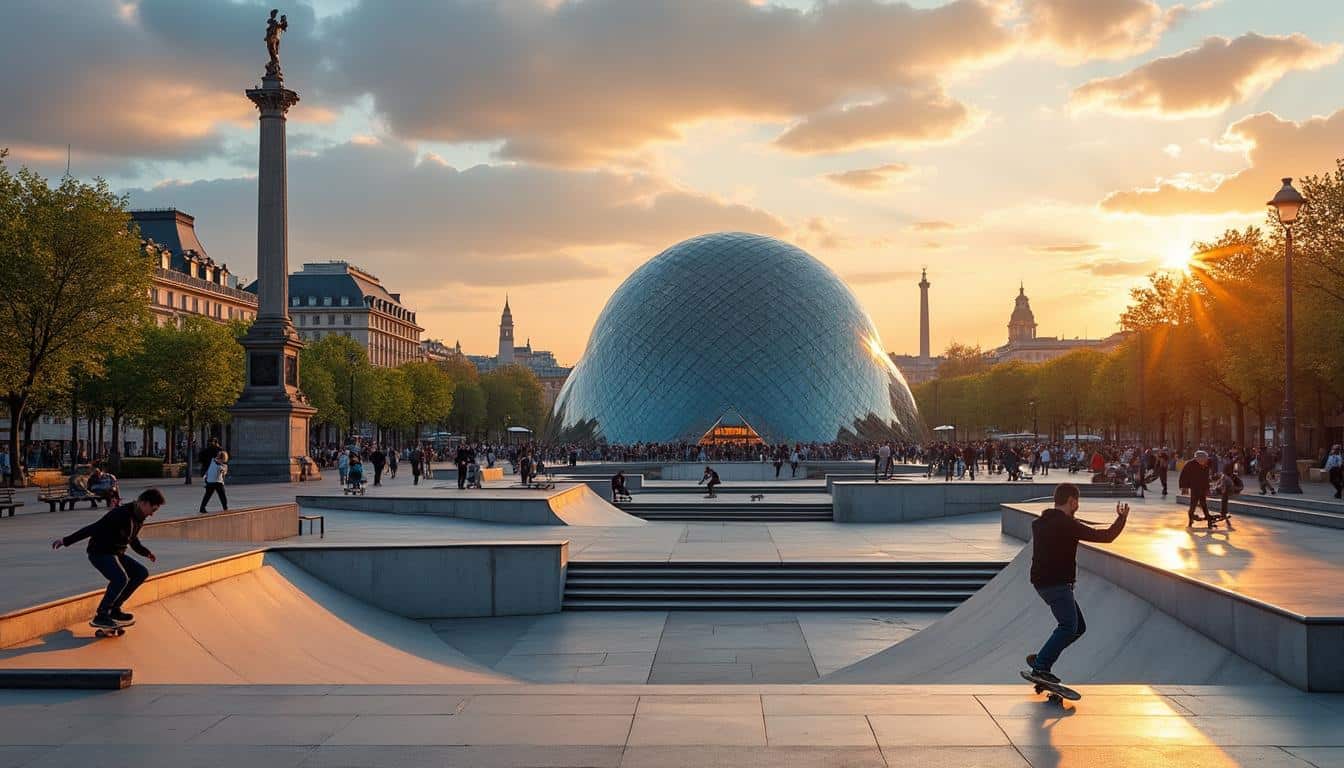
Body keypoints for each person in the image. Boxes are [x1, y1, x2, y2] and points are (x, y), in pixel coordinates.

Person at [1025, 483, 1129, 685]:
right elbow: (1105, 536)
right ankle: (1041, 666)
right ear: (1072, 501)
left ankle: (1042, 658)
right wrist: (1122, 518)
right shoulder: (1067, 525)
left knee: (1078, 627)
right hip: (1056, 583)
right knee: (1068, 627)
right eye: (1077, 502)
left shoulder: (1041, 522)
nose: (1077, 506)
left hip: (1042, 582)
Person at [51, 488, 164, 629]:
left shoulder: (139, 517)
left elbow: (133, 539)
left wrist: (146, 553)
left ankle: (114, 609)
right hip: (99, 553)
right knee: (120, 578)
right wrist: (66, 540)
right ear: (144, 503)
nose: (152, 514)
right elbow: (94, 527)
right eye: (152, 510)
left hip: (116, 553)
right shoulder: (120, 513)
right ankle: (102, 614)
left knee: (141, 573)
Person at [1179, 450, 1213, 527]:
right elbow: (1183, 476)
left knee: (1203, 504)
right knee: (1193, 504)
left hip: (1202, 487)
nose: (1204, 462)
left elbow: (1206, 478)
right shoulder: (1190, 464)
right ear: (1198, 459)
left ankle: (1208, 519)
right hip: (1194, 487)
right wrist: (1184, 487)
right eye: (1203, 460)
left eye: (1205, 460)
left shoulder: (1206, 465)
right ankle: (1191, 519)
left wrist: (1207, 489)